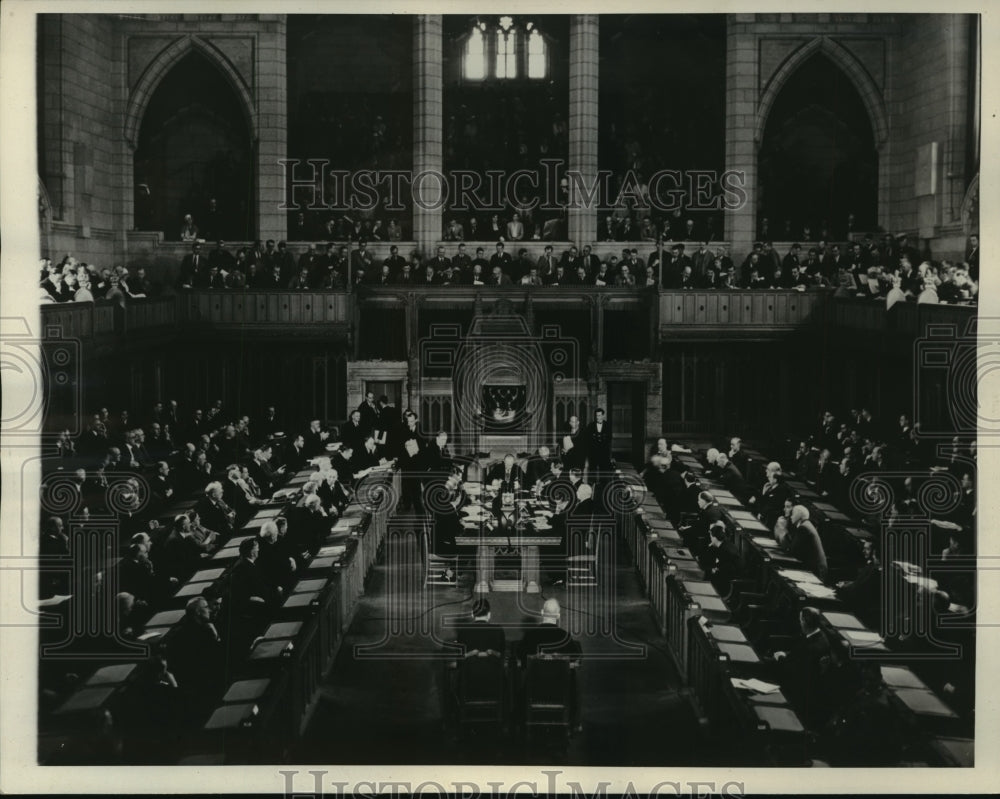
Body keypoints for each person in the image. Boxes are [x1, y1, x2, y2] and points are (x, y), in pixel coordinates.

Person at [786, 505, 829, 581]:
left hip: (815, 572)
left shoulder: (804, 528)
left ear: (798, 515)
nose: (791, 517)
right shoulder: (807, 524)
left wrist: (783, 534)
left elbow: (793, 550)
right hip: (817, 569)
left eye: (793, 514)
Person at [585, 409, 613, 476]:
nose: (598, 417)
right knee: (592, 471)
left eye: (599, 415)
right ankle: (592, 485)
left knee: (604, 471)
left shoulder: (607, 425)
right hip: (593, 452)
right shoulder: (590, 425)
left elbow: (609, 438)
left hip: (604, 452)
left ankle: (603, 485)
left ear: (603, 416)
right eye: (596, 415)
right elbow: (588, 439)